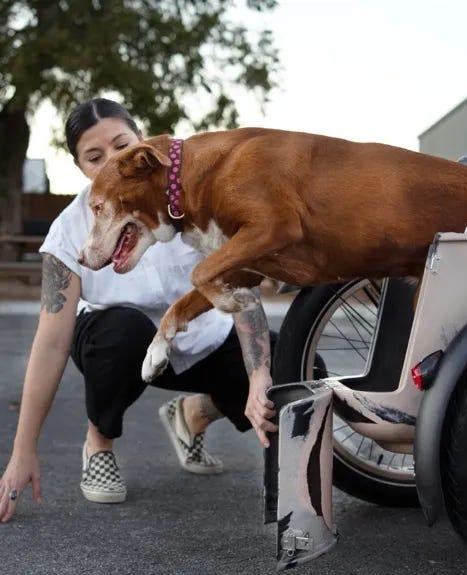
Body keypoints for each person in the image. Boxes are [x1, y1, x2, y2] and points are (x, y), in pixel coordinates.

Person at [0, 98, 276, 522]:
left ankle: (193, 415)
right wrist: (22, 452)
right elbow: (52, 343)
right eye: (95, 157)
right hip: (118, 345)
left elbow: (240, 291)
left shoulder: (195, 199)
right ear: (80, 169)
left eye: (121, 145)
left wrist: (260, 377)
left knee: (298, 368)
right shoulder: (70, 230)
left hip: (198, 338)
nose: (113, 161)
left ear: (143, 143)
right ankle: (99, 442)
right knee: (126, 328)